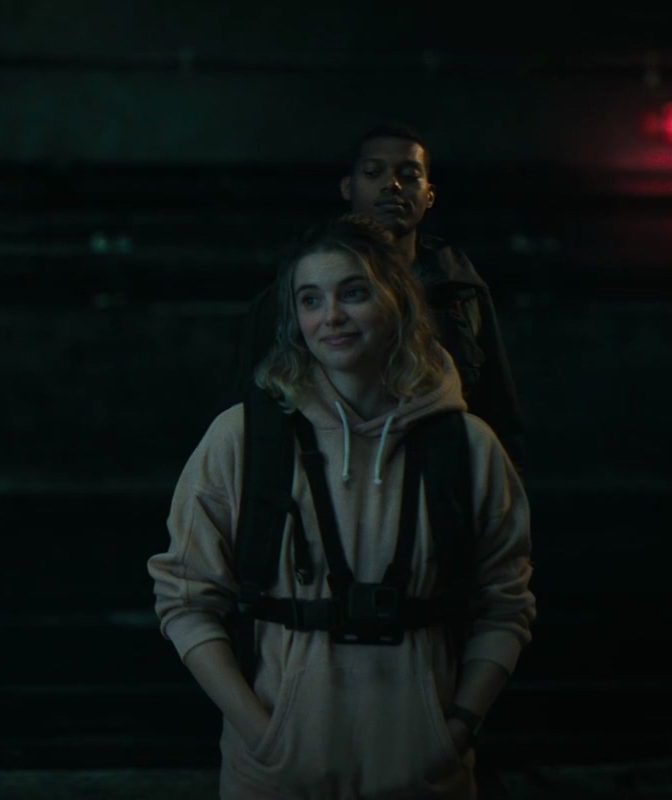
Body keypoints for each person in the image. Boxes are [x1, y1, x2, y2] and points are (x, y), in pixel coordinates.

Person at [152, 214, 535, 798]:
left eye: (353, 293)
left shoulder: (467, 446)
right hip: (277, 773)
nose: (330, 316)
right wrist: (263, 735)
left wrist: (456, 729)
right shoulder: (242, 439)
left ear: (397, 303)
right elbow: (184, 598)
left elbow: (505, 604)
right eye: (311, 299)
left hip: (422, 771)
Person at [230, 123, 528, 470]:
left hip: (439, 482)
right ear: (348, 186)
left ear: (430, 194)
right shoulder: (288, 298)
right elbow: (252, 412)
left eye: (409, 175)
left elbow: (498, 413)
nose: (393, 185)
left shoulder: (460, 292)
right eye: (374, 172)